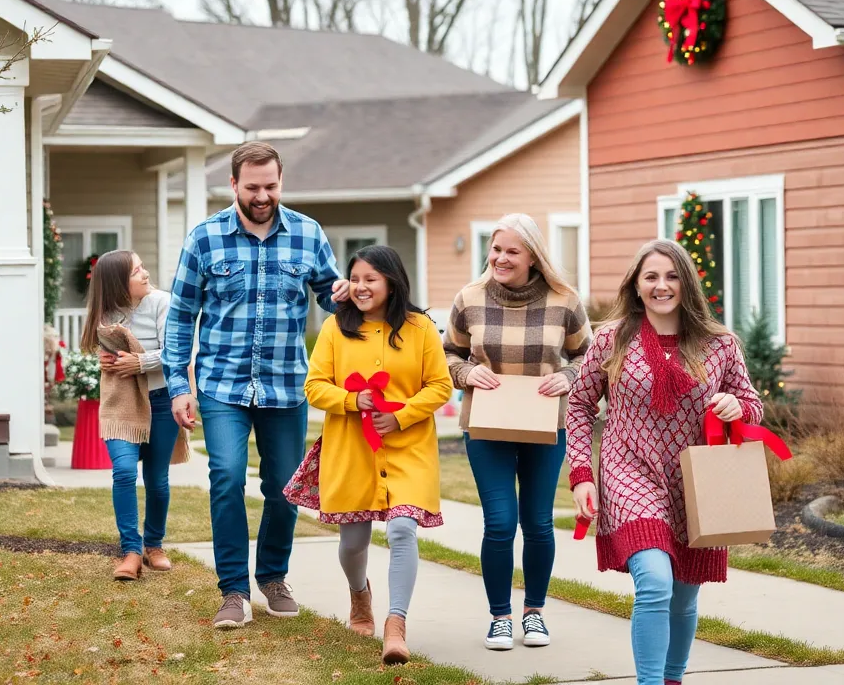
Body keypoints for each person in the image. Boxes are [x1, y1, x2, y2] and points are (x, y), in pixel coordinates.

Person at [162, 141, 350, 629]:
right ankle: (232, 591)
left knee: (283, 487)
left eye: (270, 186)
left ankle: (272, 578)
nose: (262, 195)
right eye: (252, 187)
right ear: (233, 185)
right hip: (221, 385)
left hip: (285, 385)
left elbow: (332, 298)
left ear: (280, 182)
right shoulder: (205, 238)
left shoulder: (308, 234)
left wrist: (349, 295)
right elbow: (181, 317)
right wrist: (178, 385)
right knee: (225, 476)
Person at [566, 239, 764, 685]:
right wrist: (582, 474)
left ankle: (673, 678)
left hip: (695, 480)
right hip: (629, 469)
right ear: (636, 286)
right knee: (655, 581)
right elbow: (579, 407)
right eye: (651, 277)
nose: (661, 286)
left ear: (687, 283)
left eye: (671, 276)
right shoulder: (611, 340)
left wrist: (737, 405)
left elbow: (752, 403)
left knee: (683, 596)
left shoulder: (720, 344)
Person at [287, 245, 452, 665]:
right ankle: (360, 594)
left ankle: (396, 625)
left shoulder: (420, 328)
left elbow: (440, 386)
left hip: (408, 446)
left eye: (370, 280)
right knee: (353, 540)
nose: (360, 287)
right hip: (352, 448)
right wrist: (350, 399)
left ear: (391, 282)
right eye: (355, 279)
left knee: (401, 530)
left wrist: (401, 416)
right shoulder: (334, 328)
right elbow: (315, 385)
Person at [443, 213, 591, 651]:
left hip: (545, 425)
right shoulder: (469, 297)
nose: (500, 258)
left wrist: (569, 377)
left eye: (511, 251)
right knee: (501, 522)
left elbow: (588, 357)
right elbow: (448, 354)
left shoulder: (564, 300)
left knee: (539, 523)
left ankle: (535, 613)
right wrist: (468, 372)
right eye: (496, 249)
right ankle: (500, 617)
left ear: (532, 257)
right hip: (487, 427)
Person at [80, 250, 183, 581]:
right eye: (136, 271)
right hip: (122, 401)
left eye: (142, 267)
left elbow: (178, 352)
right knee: (124, 472)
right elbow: (104, 353)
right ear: (117, 284)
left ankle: (154, 545)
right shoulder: (105, 313)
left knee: (157, 480)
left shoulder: (162, 303)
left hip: (163, 400)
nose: (145, 274)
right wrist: (106, 360)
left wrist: (139, 363)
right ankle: (131, 552)